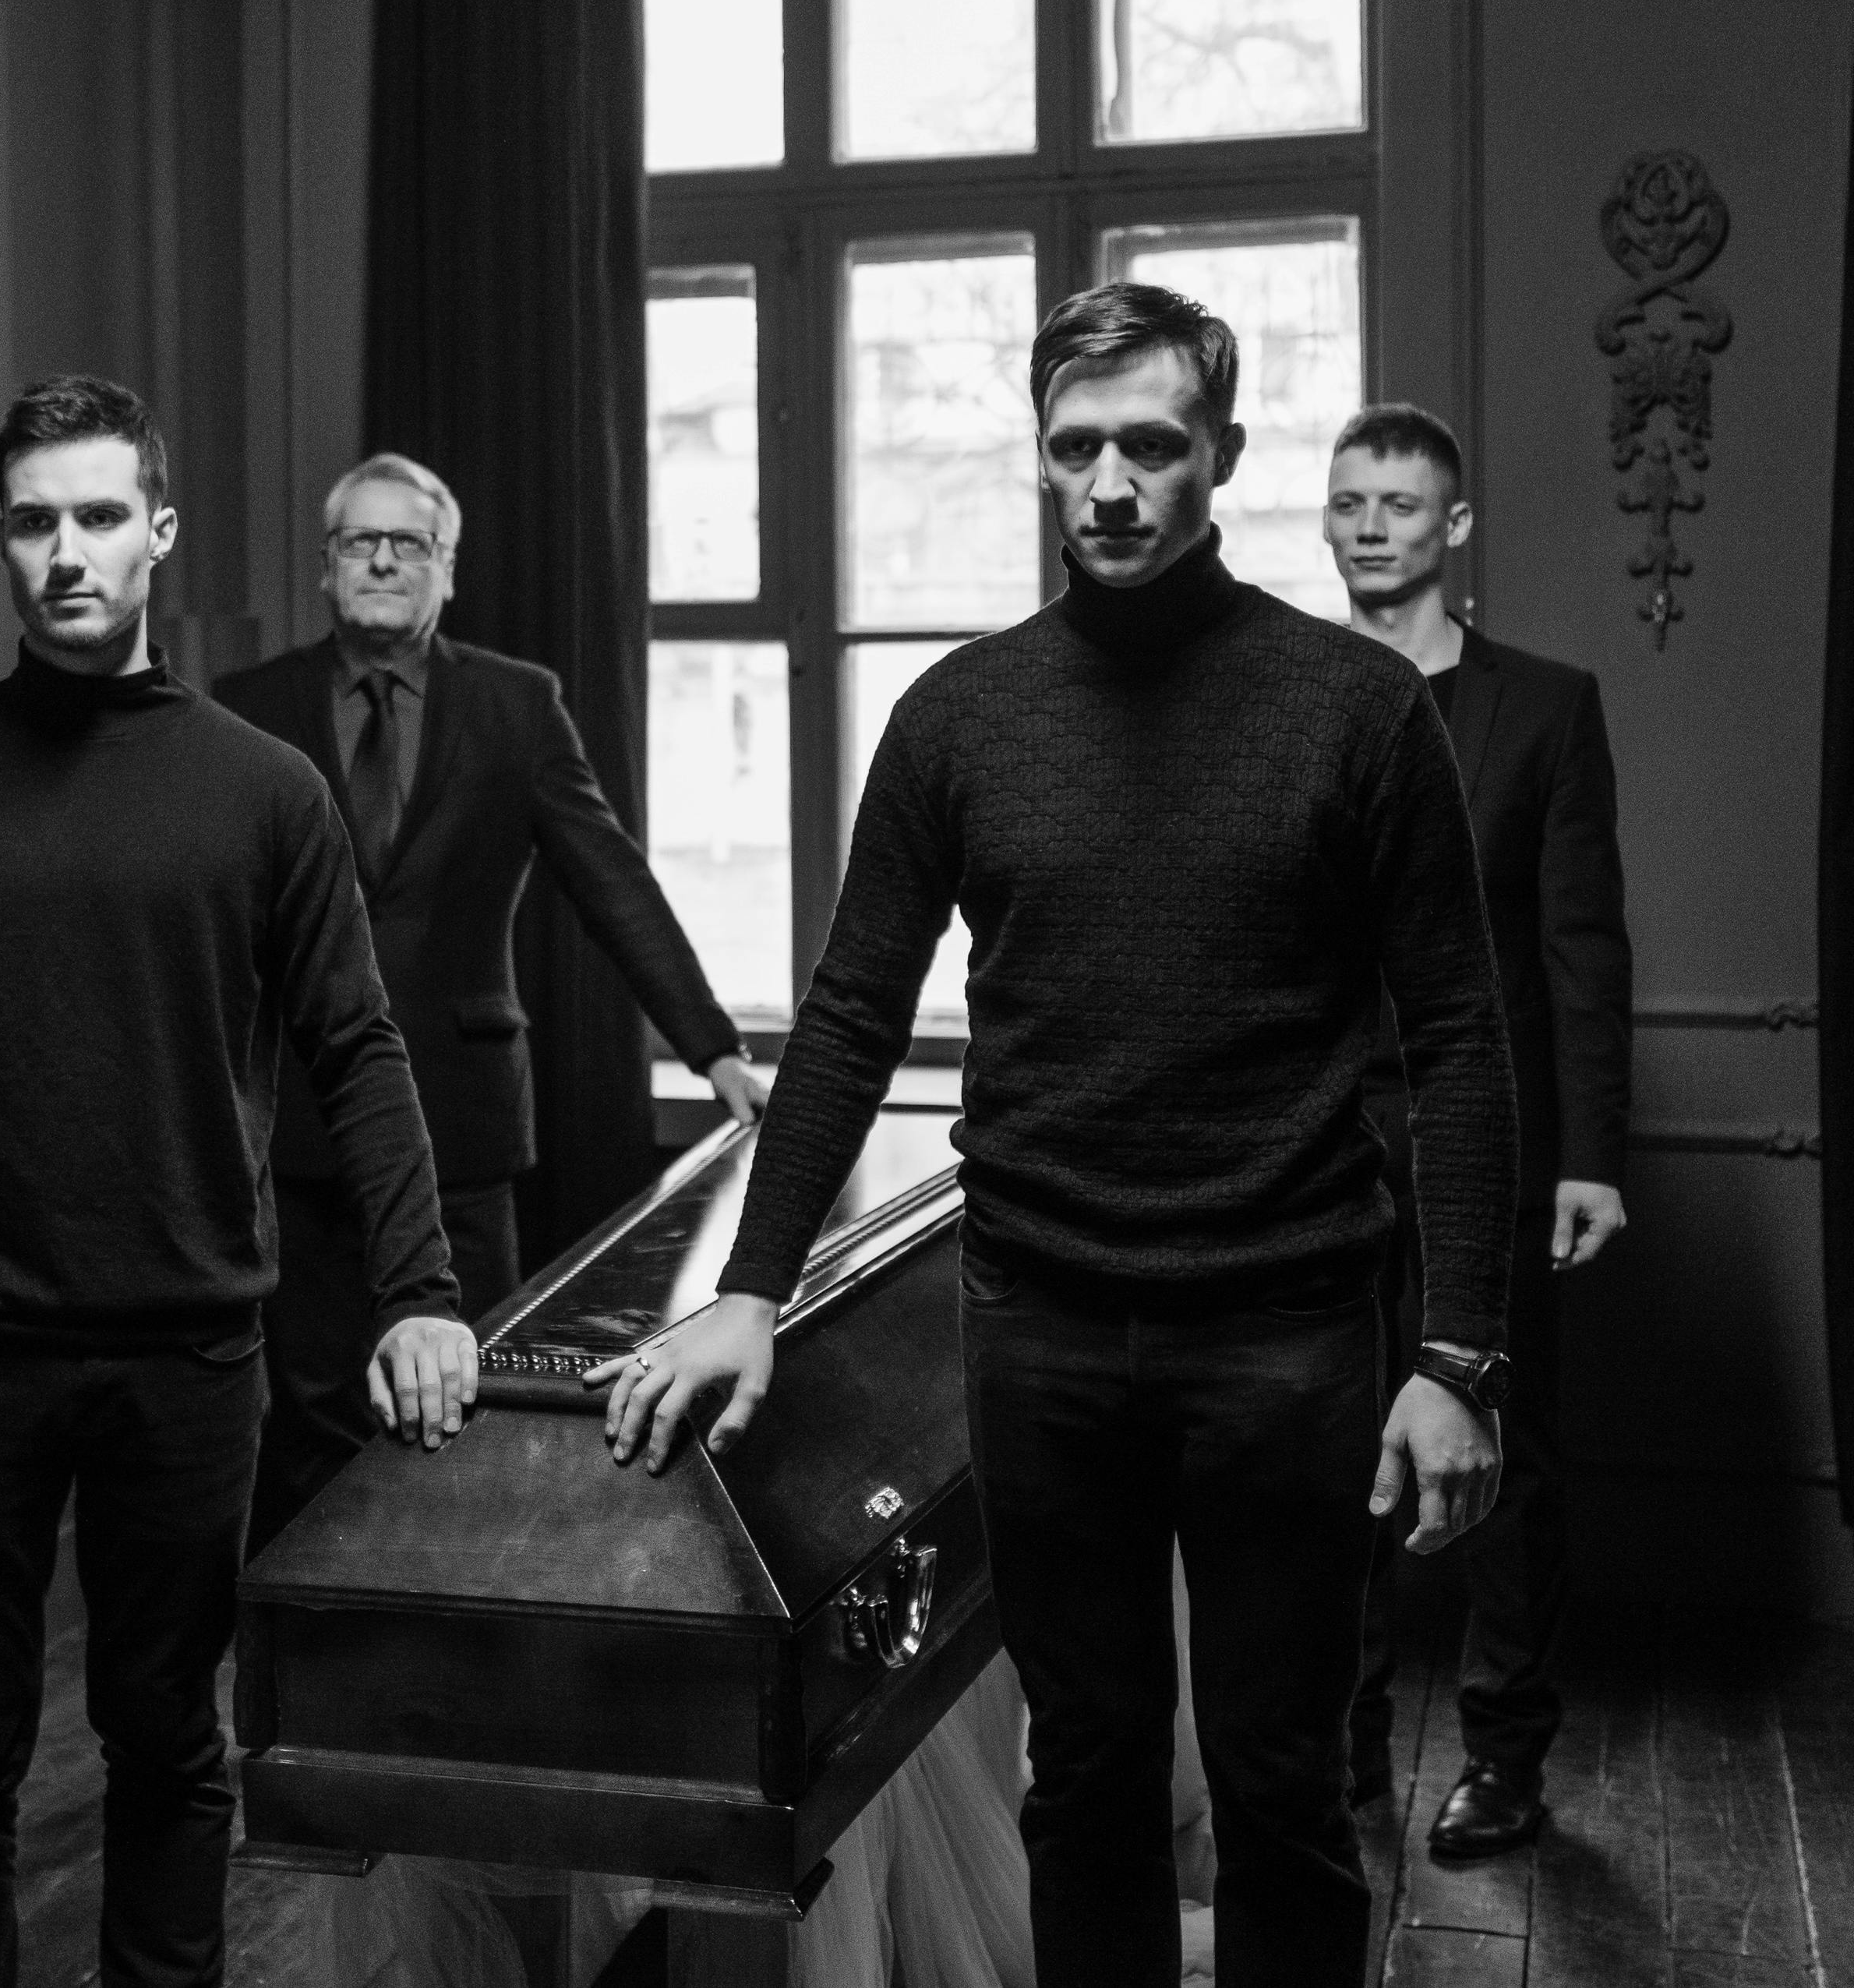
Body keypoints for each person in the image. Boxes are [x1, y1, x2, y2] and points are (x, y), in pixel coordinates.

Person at [600, 284, 1521, 1988]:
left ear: (1223, 457)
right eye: (1077, 444)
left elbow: (1461, 1039)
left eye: (1153, 444)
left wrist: (1460, 1354)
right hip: (1041, 1333)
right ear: (1040, 457)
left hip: (1291, 1329)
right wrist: (748, 1285)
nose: (1111, 481)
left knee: (1282, 1784)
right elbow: (855, 1015)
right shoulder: (961, 715)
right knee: (1082, 1776)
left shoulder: (1353, 710)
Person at [0, 376, 482, 1988]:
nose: (67, 552)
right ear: (4, 541)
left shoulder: (263, 790)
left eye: (101, 515)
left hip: (189, 1354)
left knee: (171, 1737)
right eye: (35, 520)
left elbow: (357, 1046)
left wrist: (422, 1286)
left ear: (159, 534)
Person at [215, 451, 771, 1547]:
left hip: (461, 1124)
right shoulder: (250, 709)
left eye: (408, 542)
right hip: (305, 1136)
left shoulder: (517, 706)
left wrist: (713, 1049)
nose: (383, 559)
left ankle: (466, 1661)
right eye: (360, 542)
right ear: (326, 568)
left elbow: (611, 881)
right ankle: (335, 1655)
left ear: (447, 568)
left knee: (474, 1400)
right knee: (320, 1414)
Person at [1322, 405, 1632, 1862]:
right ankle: (1344, 1746)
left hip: (1491, 1135)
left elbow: (1583, 945)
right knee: (1327, 1450)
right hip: (1314, 1143)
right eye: (1349, 503)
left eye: (1400, 503)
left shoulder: (1550, 705)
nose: (1371, 524)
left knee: (1505, 1455)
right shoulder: (1289, 695)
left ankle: (1505, 1759)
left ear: (1456, 528)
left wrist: (1594, 1154)